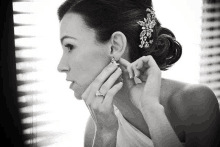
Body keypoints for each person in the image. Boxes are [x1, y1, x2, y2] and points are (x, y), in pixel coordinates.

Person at [56, 0, 220, 146]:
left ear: (115, 46)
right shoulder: (95, 127)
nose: (61, 66)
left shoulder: (195, 104)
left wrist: (152, 110)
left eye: (70, 47)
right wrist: (105, 135)